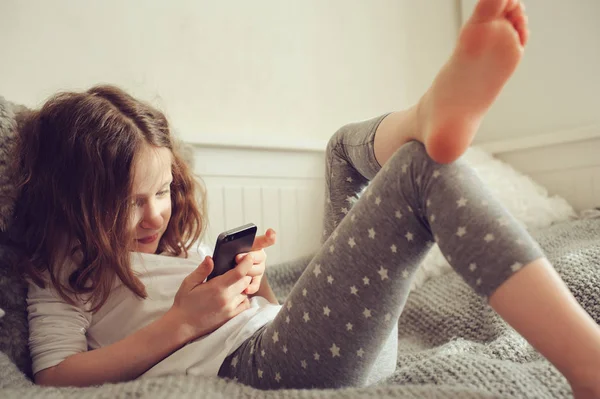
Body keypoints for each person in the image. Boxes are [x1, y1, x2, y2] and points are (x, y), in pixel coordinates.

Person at [9, 0, 600, 397]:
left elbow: (244, 314)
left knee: (342, 151)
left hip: (304, 339)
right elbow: (55, 374)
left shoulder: (168, 244)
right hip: (273, 363)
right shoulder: (65, 267)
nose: (155, 214)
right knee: (419, 172)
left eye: (161, 191)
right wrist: (181, 324)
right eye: (129, 202)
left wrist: (250, 284)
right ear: (77, 201)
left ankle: (425, 115)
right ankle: (585, 360)